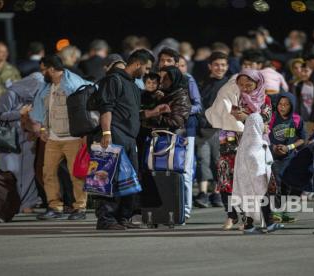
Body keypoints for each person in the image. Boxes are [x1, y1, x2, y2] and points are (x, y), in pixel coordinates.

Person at [95, 49, 162, 230]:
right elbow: (106, 108)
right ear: (138, 64)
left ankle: (123, 217)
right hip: (114, 135)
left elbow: (132, 113)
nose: (147, 72)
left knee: (130, 179)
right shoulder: (113, 80)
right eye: (146, 67)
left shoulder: (132, 85)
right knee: (109, 177)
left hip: (130, 138)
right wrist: (106, 133)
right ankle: (106, 219)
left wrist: (155, 111)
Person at [207, 69, 273, 230]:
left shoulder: (265, 100)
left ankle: (251, 218)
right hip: (229, 143)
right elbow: (221, 112)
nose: (245, 88)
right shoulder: (233, 96)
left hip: (253, 147)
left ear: (258, 83)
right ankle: (231, 215)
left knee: (255, 181)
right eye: (241, 84)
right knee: (225, 180)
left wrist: (246, 118)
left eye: (249, 84)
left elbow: (265, 121)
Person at [30, 55, 90, 220]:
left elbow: (82, 111)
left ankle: (80, 208)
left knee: (76, 175)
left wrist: (84, 134)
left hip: (72, 138)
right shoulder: (48, 87)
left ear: (50, 69)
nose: (42, 73)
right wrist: (43, 127)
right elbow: (45, 110)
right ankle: (54, 207)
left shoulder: (73, 85)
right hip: (53, 138)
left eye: (43, 70)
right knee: (48, 173)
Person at [158, 48, 204, 217]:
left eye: (169, 61)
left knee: (185, 170)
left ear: (176, 63)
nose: (165, 64)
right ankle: (168, 207)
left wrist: (179, 110)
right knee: (164, 169)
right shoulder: (157, 81)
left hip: (185, 130)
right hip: (163, 130)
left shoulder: (187, 79)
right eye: (162, 60)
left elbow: (198, 105)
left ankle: (184, 209)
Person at [0, 73, 45, 213]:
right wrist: (20, 113)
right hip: (9, 139)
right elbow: (0, 115)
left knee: (28, 172)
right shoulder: (11, 93)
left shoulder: (37, 95)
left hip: (28, 137)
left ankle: (27, 204)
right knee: (11, 171)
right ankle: (11, 203)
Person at [232, 113, 283, 234]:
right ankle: (269, 224)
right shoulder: (258, 144)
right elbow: (261, 163)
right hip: (257, 179)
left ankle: (249, 226)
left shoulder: (242, 144)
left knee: (248, 201)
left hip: (244, 182)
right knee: (262, 198)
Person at [195, 52, 230, 209]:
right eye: (216, 64)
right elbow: (198, 105)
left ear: (227, 66)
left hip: (221, 129)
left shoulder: (230, 85)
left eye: (223, 65)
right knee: (203, 160)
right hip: (203, 129)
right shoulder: (201, 83)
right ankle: (203, 193)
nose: (219, 68)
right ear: (210, 66)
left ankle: (217, 192)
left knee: (219, 161)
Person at [269, 92, 307, 223]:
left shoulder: (297, 119)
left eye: (286, 105)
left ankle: (283, 212)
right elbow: (263, 136)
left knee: (288, 186)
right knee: (276, 185)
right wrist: (273, 147)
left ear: (292, 106)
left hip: (290, 158)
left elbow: (303, 139)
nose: (282, 107)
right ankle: (276, 212)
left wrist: (289, 147)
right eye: (280, 104)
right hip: (274, 158)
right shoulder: (271, 118)